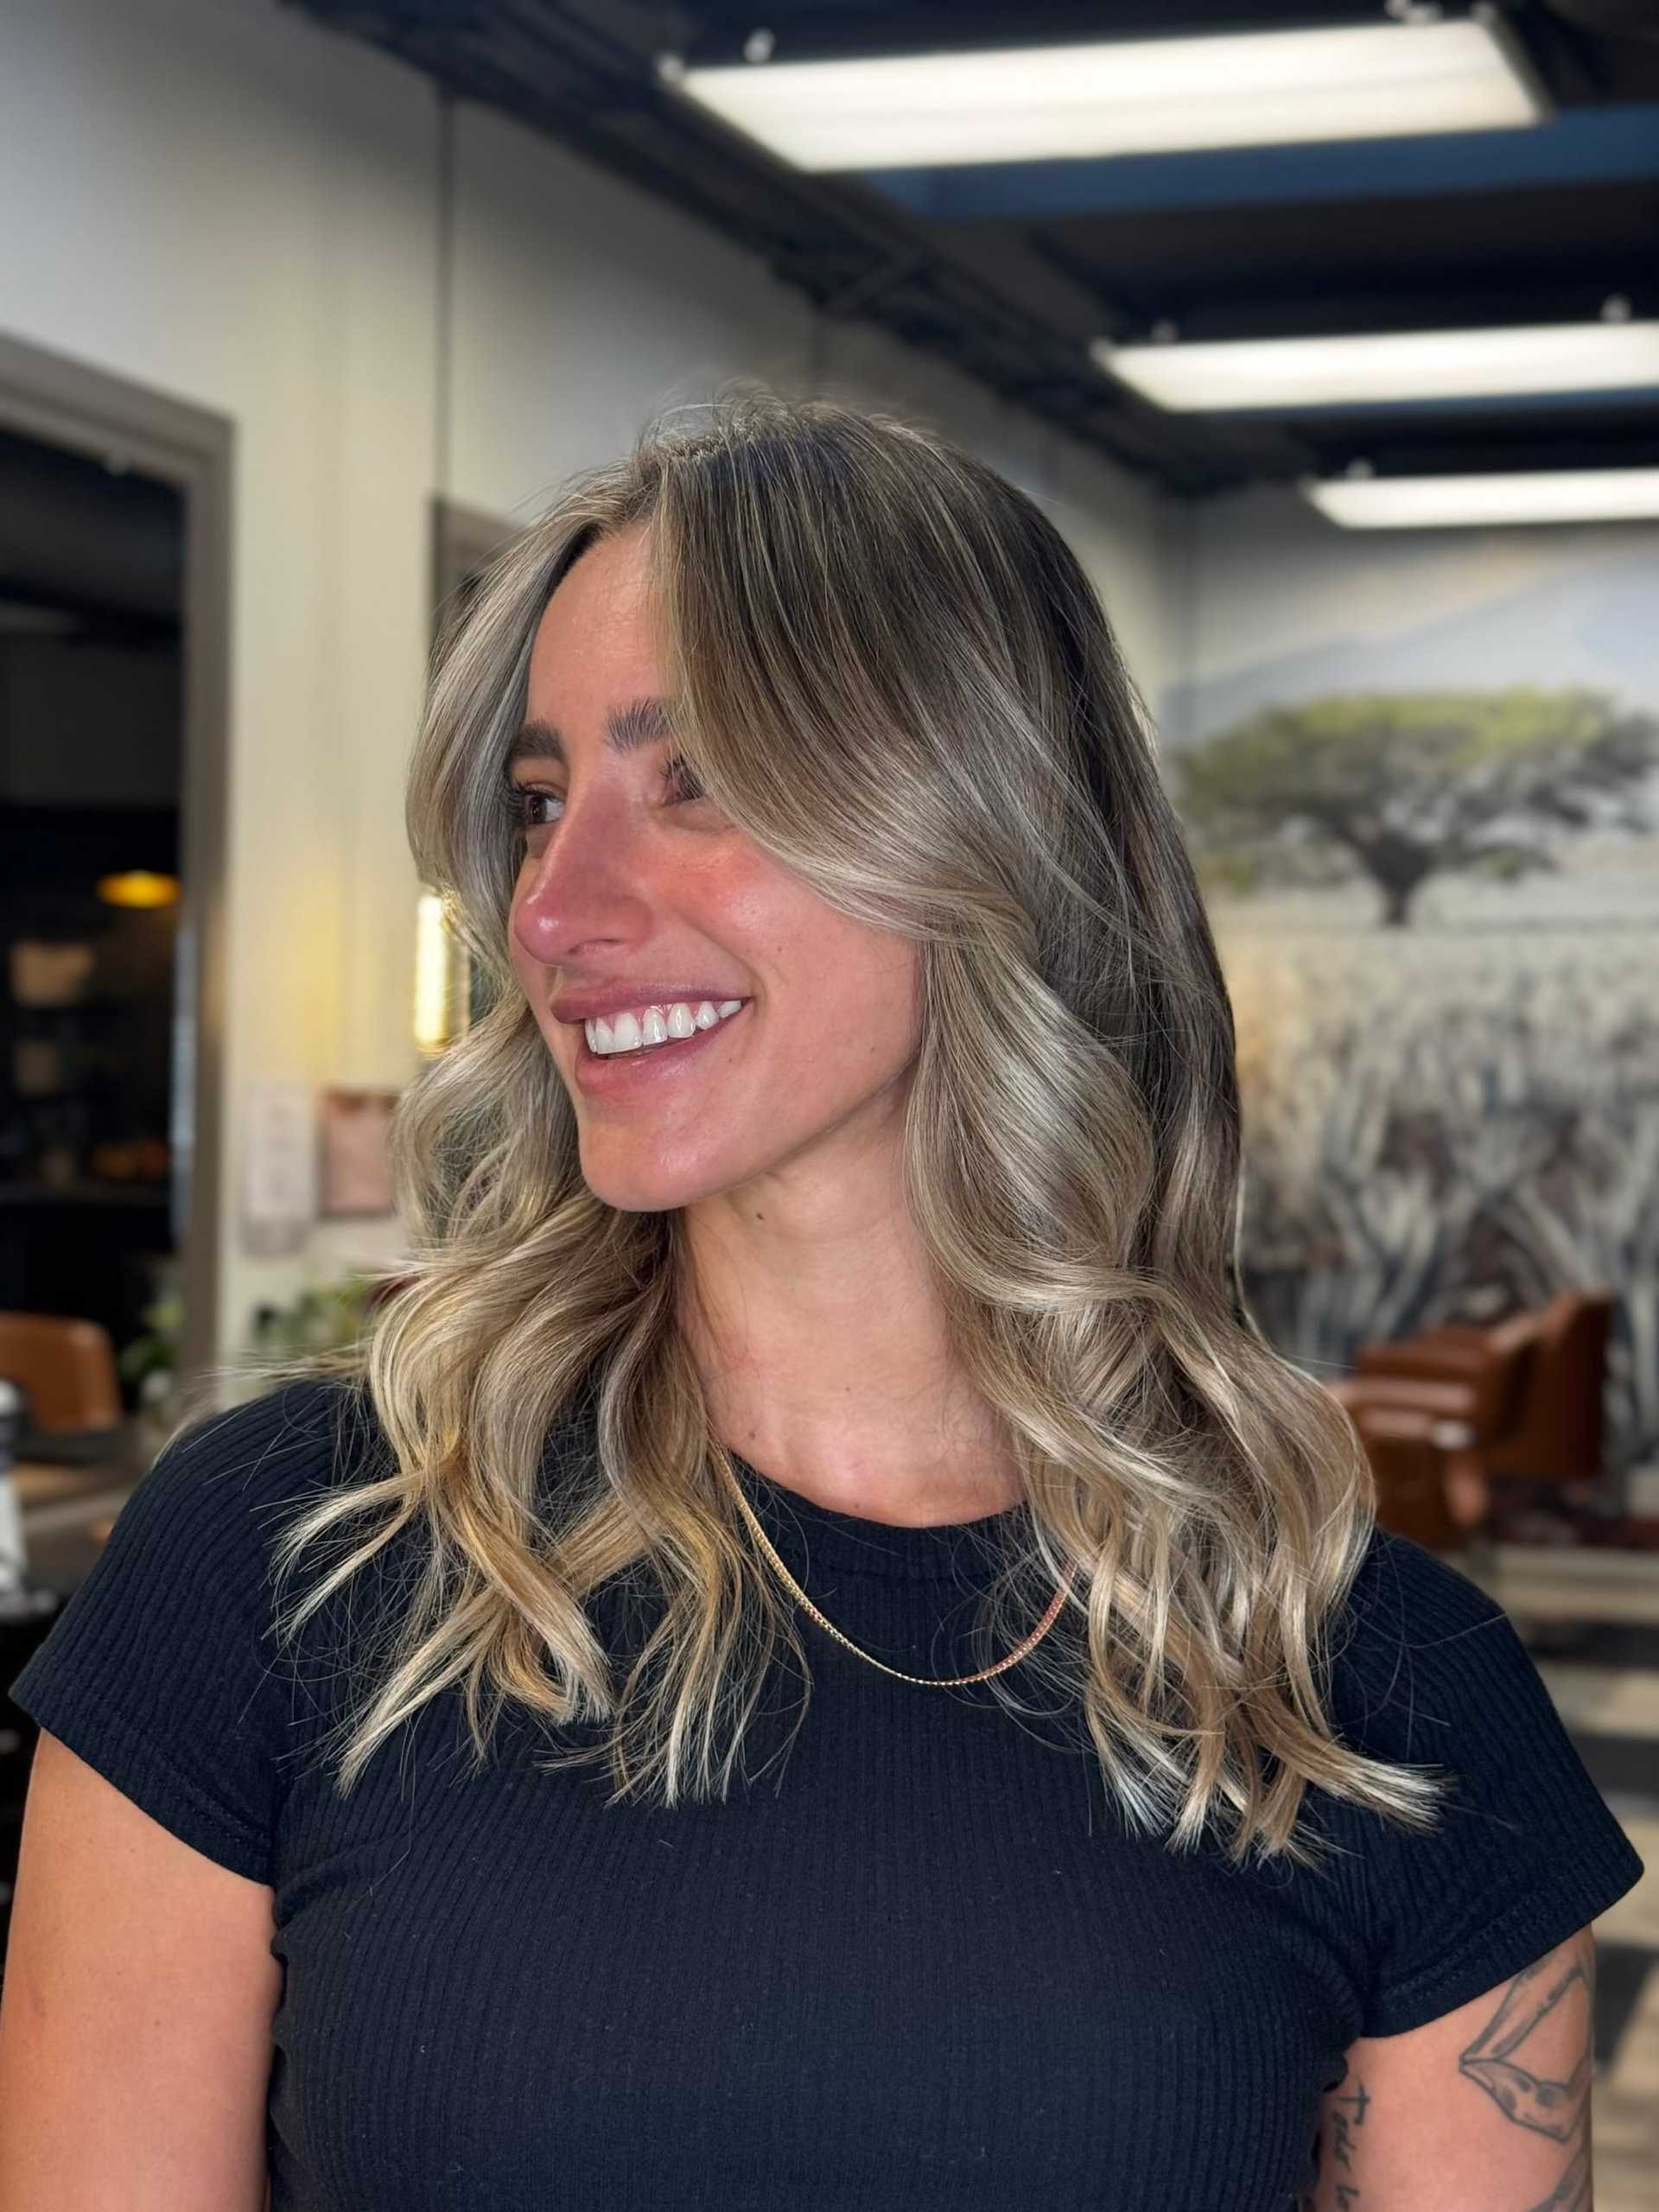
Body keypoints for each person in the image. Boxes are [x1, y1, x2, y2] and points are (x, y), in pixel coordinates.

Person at [0, 387, 1642, 2211]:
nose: (554, 903)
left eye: (694, 775)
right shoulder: (279, 1562)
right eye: (542, 800)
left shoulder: (1372, 1692)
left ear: (989, 832)